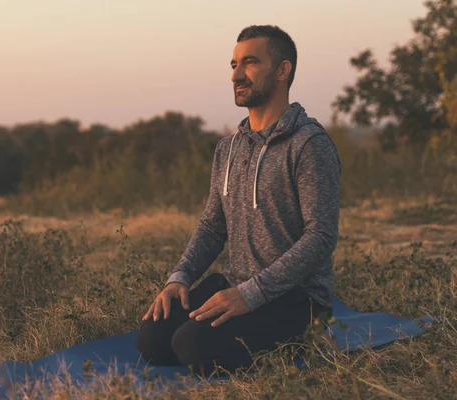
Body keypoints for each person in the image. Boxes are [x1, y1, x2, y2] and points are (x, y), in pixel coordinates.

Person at [136, 25, 342, 377]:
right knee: (153, 340)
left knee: (192, 346)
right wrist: (179, 278)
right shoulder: (228, 148)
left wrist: (252, 294)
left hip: (296, 299)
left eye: (249, 62)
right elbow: (212, 227)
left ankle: (303, 338)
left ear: (282, 70)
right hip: (236, 284)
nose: (236, 74)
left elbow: (320, 236)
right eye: (233, 64)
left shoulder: (309, 144)